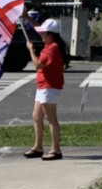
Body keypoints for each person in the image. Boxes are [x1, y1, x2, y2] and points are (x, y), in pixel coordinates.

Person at [23, 18, 69, 161]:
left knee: (51, 118)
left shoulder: (52, 48)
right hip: (43, 86)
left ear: (51, 34)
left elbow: (38, 65)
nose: (41, 36)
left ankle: (56, 149)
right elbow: (37, 28)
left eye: (44, 34)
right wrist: (27, 17)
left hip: (49, 87)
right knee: (37, 117)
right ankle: (38, 147)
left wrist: (31, 50)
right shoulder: (50, 45)